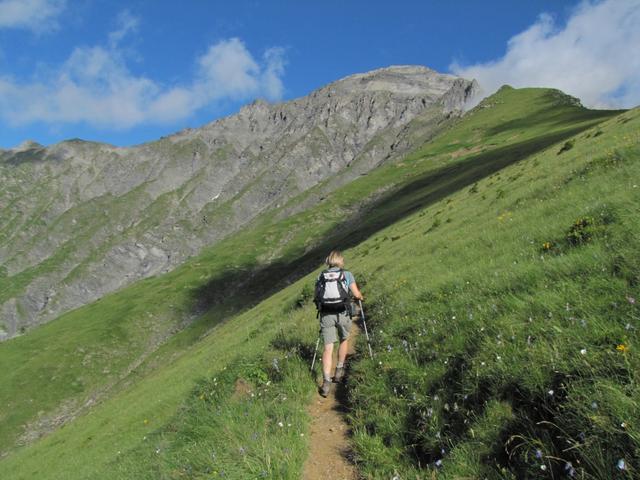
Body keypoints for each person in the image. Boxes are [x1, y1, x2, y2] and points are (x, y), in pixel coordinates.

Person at [317, 250, 364, 397]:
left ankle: (325, 382)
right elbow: (356, 294)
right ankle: (338, 371)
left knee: (328, 348)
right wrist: (360, 297)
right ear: (340, 261)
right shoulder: (347, 274)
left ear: (329, 261)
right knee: (344, 339)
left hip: (326, 314)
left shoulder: (321, 276)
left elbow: (316, 296)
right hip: (343, 313)